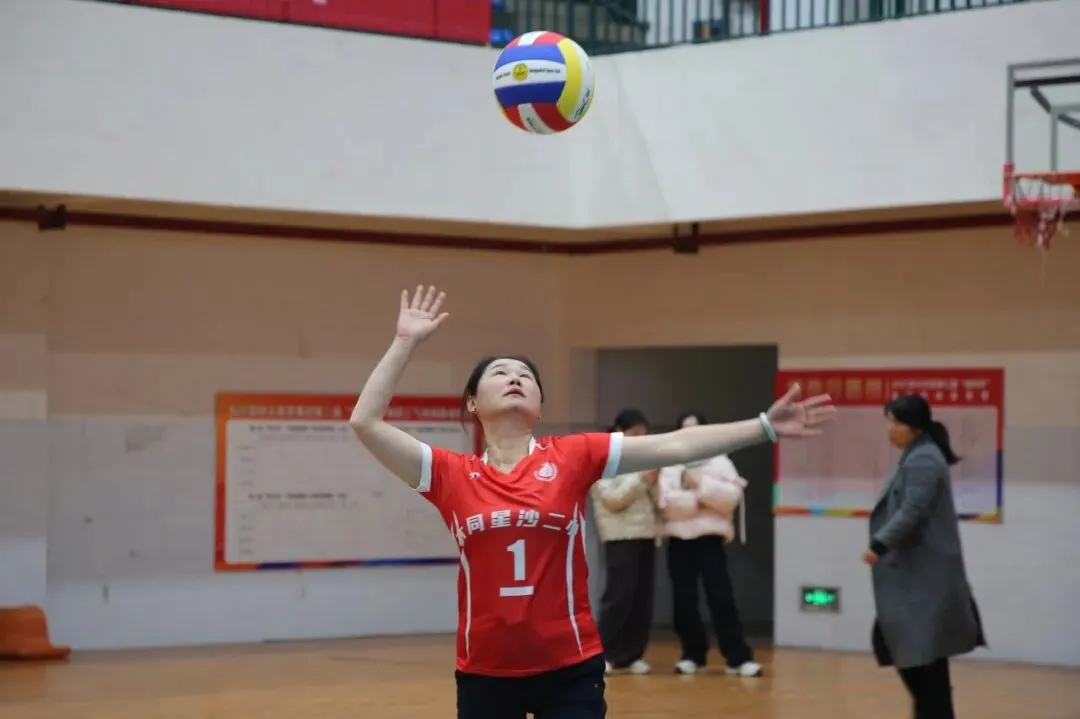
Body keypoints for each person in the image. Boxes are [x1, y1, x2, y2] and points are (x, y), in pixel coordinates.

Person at [348, 285, 837, 719]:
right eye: (500, 373)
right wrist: (404, 342)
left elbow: (673, 445)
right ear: (472, 403)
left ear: (539, 405)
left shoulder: (573, 455)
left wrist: (763, 426)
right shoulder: (450, 473)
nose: (516, 377)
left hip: (570, 666)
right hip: (485, 670)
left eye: (526, 375)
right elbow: (365, 423)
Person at [865, 394, 986, 719]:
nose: (889, 430)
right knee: (923, 663)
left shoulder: (924, 460)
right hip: (916, 579)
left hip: (923, 580)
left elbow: (913, 511)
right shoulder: (918, 454)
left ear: (913, 427)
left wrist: (879, 544)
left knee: (920, 662)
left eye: (893, 423)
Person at [657, 411, 761, 677]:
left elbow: (731, 499)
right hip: (679, 539)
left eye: (695, 429)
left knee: (721, 596)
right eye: (684, 429)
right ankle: (693, 654)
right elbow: (667, 504)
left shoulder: (720, 461)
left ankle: (738, 658)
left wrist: (699, 485)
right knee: (684, 601)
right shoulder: (670, 464)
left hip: (710, 538)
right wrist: (700, 500)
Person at [590, 408, 659, 675]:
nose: (640, 438)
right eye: (635, 433)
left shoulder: (644, 457)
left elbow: (657, 500)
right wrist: (640, 480)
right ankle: (604, 652)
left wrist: (653, 482)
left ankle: (632, 654)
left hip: (647, 533)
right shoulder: (605, 458)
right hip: (620, 534)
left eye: (643, 434)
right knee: (618, 596)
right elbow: (612, 499)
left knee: (642, 598)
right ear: (620, 431)